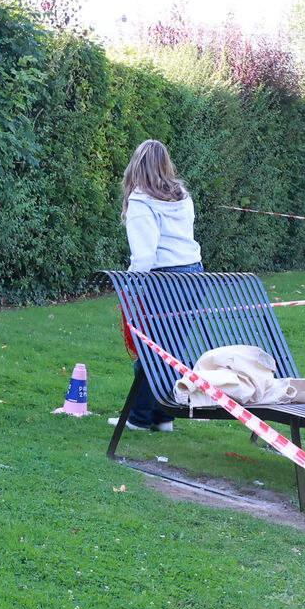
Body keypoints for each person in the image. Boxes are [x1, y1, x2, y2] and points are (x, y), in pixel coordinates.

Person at [112, 139, 203, 432]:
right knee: (169, 350)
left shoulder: (140, 202)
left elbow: (144, 255)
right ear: (165, 165)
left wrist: (129, 287)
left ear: (136, 166)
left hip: (164, 281)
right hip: (193, 276)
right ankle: (163, 418)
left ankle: (139, 418)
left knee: (150, 351)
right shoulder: (182, 197)